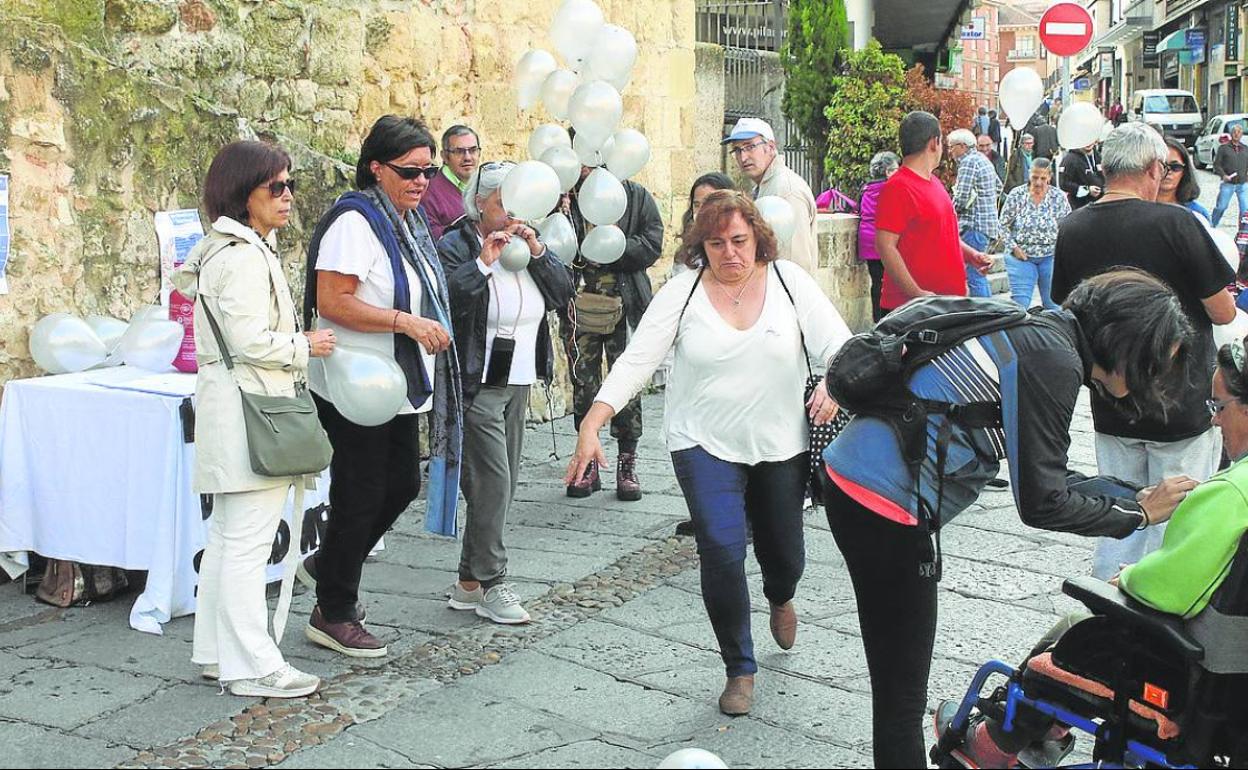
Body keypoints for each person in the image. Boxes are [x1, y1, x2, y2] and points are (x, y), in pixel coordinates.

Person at [823, 268, 1203, 768]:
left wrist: (1136, 497)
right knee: (900, 696)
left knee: (896, 685)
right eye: (1152, 363)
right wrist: (1136, 514)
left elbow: (1047, 473)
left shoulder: (1045, 334)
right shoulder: (1054, 357)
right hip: (883, 507)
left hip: (858, 486)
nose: (1146, 380)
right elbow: (1043, 502)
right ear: (1125, 342)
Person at [565, 190, 851, 717]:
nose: (730, 253)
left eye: (739, 240)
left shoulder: (790, 282)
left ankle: (781, 594)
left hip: (779, 443)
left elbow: (839, 344)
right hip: (701, 441)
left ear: (758, 238)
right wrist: (593, 420)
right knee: (721, 549)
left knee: (784, 553)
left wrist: (834, 382)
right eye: (716, 243)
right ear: (702, 245)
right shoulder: (683, 293)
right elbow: (637, 360)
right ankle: (739, 667)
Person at [936, 335, 1248, 769]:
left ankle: (996, 742)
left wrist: (1131, 578)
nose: (1213, 422)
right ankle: (1036, 733)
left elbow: (1170, 590)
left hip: (1202, 684)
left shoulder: (1232, 492)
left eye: (1219, 407)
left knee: (1080, 624)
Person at [175, 140, 333, 698]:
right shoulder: (241, 256)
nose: (288, 196)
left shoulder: (229, 250)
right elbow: (248, 341)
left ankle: (217, 652)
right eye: (277, 187)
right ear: (245, 195)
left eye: (290, 184)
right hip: (252, 411)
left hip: (236, 408)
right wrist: (304, 344)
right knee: (245, 542)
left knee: (228, 538)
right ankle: (252, 664)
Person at [301, 115, 462, 657]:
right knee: (361, 490)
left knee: (400, 486)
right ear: (376, 167)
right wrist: (405, 323)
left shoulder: (404, 221)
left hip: (394, 383)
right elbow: (333, 300)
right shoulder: (356, 222)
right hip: (356, 381)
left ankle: (328, 566)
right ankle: (334, 609)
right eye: (410, 171)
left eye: (429, 171)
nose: (422, 182)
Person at [1052, 123, 1237, 581]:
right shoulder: (1176, 223)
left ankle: (1106, 607)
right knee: (1178, 519)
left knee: (1121, 513)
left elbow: (1064, 311)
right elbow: (1223, 311)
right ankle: (1157, 607)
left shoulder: (1073, 227)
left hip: (1111, 400)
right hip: (1180, 398)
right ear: (1154, 169)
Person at [436, 161, 574, 625]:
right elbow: (446, 300)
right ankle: (494, 581)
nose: (513, 212)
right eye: (503, 203)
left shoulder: (525, 243)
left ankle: (466, 583)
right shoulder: (456, 244)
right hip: (476, 383)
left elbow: (561, 293)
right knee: (492, 483)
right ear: (480, 204)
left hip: (517, 380)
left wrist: (537, 249)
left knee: (503, 485)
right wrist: (483, 263)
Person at [562, 144, 665, 500]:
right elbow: (554, 248)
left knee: (627, 384)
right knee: (583, 383)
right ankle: (586, 462)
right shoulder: (565, 198)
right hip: (579, 309)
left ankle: (627, 461)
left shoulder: (634, 196)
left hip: (625, 304)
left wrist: (611, 247)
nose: (586, 168)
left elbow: (653, 243)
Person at [670, 172, 737, 538]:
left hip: (730, 368)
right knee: (693, 439)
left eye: (711, 202)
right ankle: (703, 509)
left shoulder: (739, 254)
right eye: (697, 204)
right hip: (694, 366)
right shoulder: (687, 257)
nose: (703, 210)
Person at [875, 111, 993, 314]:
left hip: (944, 305)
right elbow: (885, 246)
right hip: (916, 310)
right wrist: (917, 293)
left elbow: (943, 235)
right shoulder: (897, 187)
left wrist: (971, 255)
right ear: (933, 143)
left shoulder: (935, 183)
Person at [723, 117, 819, 273]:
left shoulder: (787, 190)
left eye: (750, 147)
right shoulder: (764, 186)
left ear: (770, 147)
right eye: (737, 150)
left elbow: (795, 263)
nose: (743, 157)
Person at [999, 157, 1069, 310]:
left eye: (1043, 178)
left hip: (1050, 256)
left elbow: (1067, 226)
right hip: (1021, 256)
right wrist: (1014, 248)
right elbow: (1003, 225)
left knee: (1053, 305)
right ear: (1029, 175)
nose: (1038, 182)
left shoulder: (1058, 197)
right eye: (1035, 177)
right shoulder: (1017, 195)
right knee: (1020, 304)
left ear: (1049, 177)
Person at [948, 128, 1002, 298]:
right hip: (986, 225)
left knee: (975, 276)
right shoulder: (983, 159)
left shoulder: (969, 162)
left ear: (963, 146)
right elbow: (999, 187)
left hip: (974, 225)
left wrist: (946, 213)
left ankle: (986, 318)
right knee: (979, 274)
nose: (950, 151)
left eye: (951, 147)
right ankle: (990, 317)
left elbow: (962, 198)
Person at [857, 151, 901, 322]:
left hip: (867, 240)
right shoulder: (893, 188)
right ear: (888, 171)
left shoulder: (866, 188)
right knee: (892, 282)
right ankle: (890, 318)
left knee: (877, 281)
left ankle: (878, 319)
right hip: (886, 240)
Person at [422, 125, 480, 241]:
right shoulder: (428, 190)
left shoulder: (486, 184)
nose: (467, 157)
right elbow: (429, 239)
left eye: (473, 150)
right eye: (459, 152)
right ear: (444, 156)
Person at [1157, 135, 1211, 222]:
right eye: (1162, 166)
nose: (1168, 172)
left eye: (1175, 167)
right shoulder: (1137, 210)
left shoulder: (1198, 214)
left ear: (1185, 171)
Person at [1212, 124, 1248, 227]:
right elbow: (1216, 164)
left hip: (1243, 184)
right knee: (1221, 207)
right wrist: (1223, 175)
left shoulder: (1245, 149)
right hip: (1228, 183)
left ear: (1241, 134)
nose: (1237, 134)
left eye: (1239, 132)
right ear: (1231, 134)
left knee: (1245, 210)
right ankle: (1212, 226)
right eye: (1235, 132)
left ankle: (1243, 232)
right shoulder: (1223, 148)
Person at [1059, 141, 1104, 210]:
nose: (1088, 143)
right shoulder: (1070, 159)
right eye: (1086, 140)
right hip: (1079, 206)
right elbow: (1063, 183)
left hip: (1099, 204)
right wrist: (1087, 190)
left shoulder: (1098, 156)